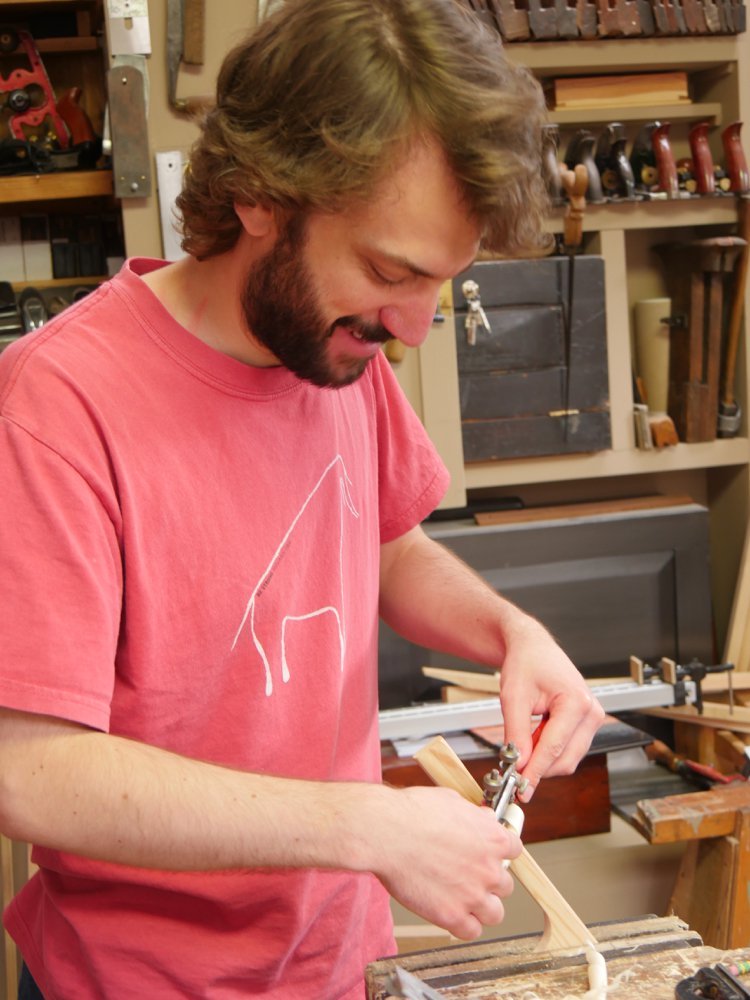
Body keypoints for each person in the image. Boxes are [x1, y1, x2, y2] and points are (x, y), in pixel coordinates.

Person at [0, 1, 604, 997]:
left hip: (338, 961)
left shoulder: (334, 347)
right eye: (388, 271)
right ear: (262, 199)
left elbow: (383, 543)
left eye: (438, 286)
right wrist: (363, 823)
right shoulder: (58, 406)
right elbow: (31, 770)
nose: (410, 327)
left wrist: (510, 632)